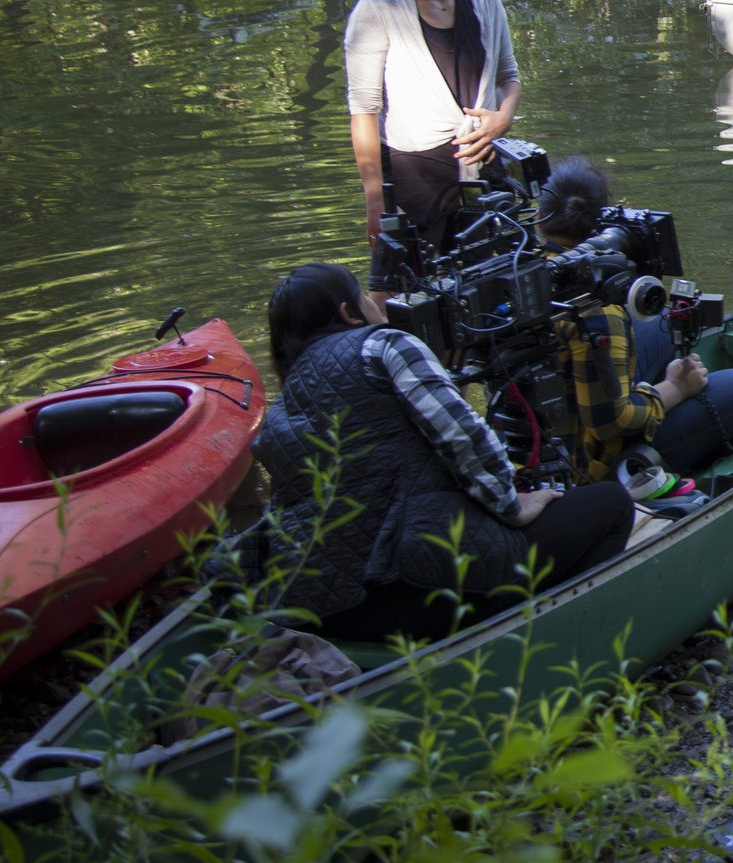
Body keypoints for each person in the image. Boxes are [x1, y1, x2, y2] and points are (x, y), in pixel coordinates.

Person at [253, 262, 633, 641]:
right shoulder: (382, 344)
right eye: (362, 297)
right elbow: (462, 435)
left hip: (322, 610)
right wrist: (512, 506)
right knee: (612, 504)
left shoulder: (282, 406)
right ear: (348, 313)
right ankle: (563, 644)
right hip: (413, 587)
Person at [537, 157, 733, 498]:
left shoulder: (524, 271)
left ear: (541, 214)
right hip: (587, 468)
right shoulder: (596, 306)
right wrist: (676, 387)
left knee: (659, 321)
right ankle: (651, 471)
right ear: (604, 223)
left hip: (542, 434)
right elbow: (608, 421)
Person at [345, 0, 523, 279]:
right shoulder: (377, 9)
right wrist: (375, 198)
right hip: (413, 172)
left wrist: (502, 119)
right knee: (400, 291)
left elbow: (509, 76)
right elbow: (363, 110)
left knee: (496, 282)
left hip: (480, 159)